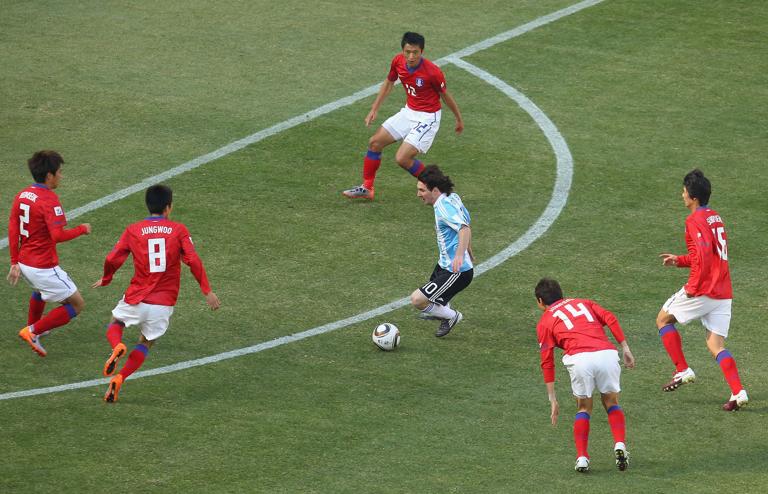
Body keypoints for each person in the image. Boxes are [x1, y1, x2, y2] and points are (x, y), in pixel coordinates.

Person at [92, 184, 220, 403]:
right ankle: (120, 378)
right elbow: (193, 260)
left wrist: (107, 278)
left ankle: (117, 346)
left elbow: (112, 258)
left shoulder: (133, 229)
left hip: (136, 298)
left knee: (116, 321)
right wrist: (206, 290)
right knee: (145, 342)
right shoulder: (179, 230)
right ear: (168, 208)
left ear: (148, 205)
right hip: (163, 304)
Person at [656, 169, 747, 411]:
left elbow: (705, 256)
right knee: (716, 345)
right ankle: (738, 392)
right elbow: (707, 254)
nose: (682, 195)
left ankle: (681, 370)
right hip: (723, 291)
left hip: (704, 289)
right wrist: (680, 260)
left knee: (663, 319)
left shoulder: (693, 220)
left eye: (684, 191)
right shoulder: (714, 217)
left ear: (693, 197)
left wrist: (693, 288)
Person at [342, 32, 464, 201]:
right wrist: (374, 108)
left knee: (402, 158)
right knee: (375, 143)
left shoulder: (433, 72)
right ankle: (367, 188)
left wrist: (458, 118)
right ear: (402, 50)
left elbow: (445, 95)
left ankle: (440, 189)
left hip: (428, 117)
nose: (411, 56)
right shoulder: (398, 62)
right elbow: (389, 83)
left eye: (415, 52)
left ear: (422, 51)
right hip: (409, 112)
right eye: (408, 52)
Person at [534, 278, 635, 473]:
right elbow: (610, 317)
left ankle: (582, 457)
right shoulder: (583, 303)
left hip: (579, 360)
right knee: (611, 402)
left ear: (540, 301)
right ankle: (620, 444)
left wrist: (552, 398)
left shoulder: (545, 322)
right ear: (561, 293)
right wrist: (625, 347)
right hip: (606, 353)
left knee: (583, 407)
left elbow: (547, 361)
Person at [7, 150, 91, 357]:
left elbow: (12, 228)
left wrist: (14, 261)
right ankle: (33, 331)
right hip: (42, 266)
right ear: (49, 175)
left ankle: (33, 325)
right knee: (77, 304)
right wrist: (82, 229)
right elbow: (58, 236)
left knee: (40, 291)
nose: (61, 176)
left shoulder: (23, 195)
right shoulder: (49, 200)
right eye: (59, 172)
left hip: (25, 263)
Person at [409, 165, 473, 337]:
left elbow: (464, 228)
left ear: (435, 190)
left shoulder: (444, 208)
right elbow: (467, 221)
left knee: (417, 300)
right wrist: (469, 251)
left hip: (456, 271)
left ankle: (452, 317)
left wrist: (460, 256)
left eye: (422, 190)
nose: (418, 194)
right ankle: (443, 311)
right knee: (433, 300)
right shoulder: (452, 197)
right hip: (444, 264)